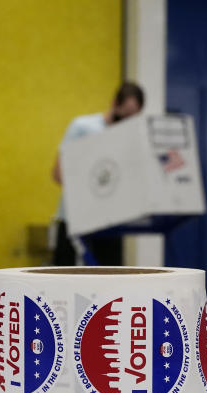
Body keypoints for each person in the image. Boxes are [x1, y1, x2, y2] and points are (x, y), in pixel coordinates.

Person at [50, 81, 145, 266]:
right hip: (74, 220)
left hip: (109, 223)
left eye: (132, 118)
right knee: (65, 281)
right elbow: (58, 173)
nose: (126, 121)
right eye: (125, 113)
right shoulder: (84, 127)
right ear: (114, 104)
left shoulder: (129, 138)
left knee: (109, 283)